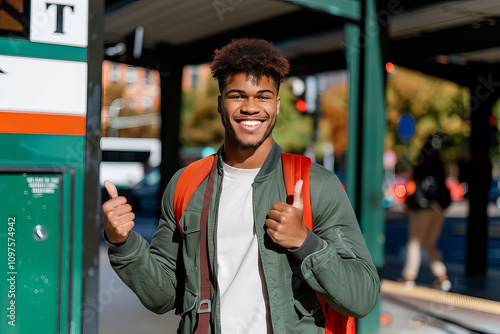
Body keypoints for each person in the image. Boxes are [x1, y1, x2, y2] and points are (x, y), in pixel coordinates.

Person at [102, 38, 380, 333]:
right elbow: (162, 296)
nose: (250, 107)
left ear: (277, 104)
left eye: (263, 97)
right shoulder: (185, 184)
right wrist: (124, 243)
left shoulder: (316, 184)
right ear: (221, 103)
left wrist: (304, 241)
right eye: (238, 96)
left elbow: (361, 297)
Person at [402, 134, 452, 291]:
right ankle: (442, 277)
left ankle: (408, 278)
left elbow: (412, 188)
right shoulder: (440, 166)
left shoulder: (419, 166)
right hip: (438, 210)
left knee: (415, 244)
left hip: (422, 210)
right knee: (430, 244)